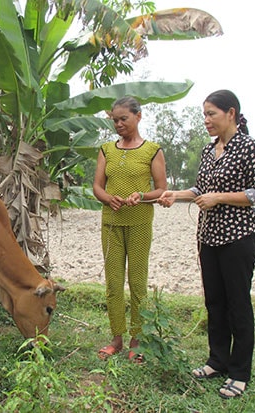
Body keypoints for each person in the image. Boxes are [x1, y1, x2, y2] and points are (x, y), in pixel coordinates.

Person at [158, 90, 255, 399]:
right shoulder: (210, 151)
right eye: (204, 115)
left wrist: (219, 198)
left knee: (238, 304)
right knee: (215, 302)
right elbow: (201, 189)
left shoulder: (249, 147)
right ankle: (217, 361)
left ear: (231, 113)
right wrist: (176, 194)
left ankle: (239, 373)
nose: (206, 120)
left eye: (211, 114)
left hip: (238, 238)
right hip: (208, 237)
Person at [93, 96, 167, 363]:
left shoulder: (152, 151)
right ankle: (116, 338)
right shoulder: (106, 150)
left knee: (137, 282)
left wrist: (142, 195)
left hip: (139, 223)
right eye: (115, 120)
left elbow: (161, 189)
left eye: (124, 118)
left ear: (138, 116)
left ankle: (137, 339)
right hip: (111, 223)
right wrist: (107, 198)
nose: (119, 124)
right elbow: (97, 187)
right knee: (113, 283)